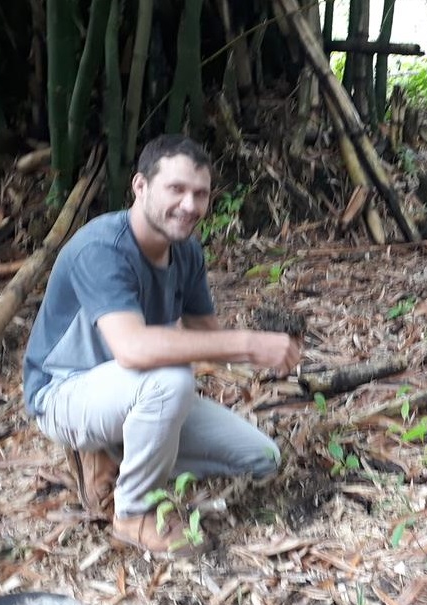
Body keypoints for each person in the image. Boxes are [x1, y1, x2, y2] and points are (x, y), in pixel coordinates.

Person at [23, 135, 300, 557]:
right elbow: (133, 349)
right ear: (140, 186)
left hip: (133, 391)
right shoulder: (101, 248)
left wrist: (267, 346)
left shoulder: (185, 251)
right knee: (171, 378)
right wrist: (247, 344)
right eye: (176, 189)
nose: (189, 205)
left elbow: (206, 338)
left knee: (262, 457)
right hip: (64, 395)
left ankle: (119, 453)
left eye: (200, 194)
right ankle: (133, 512)